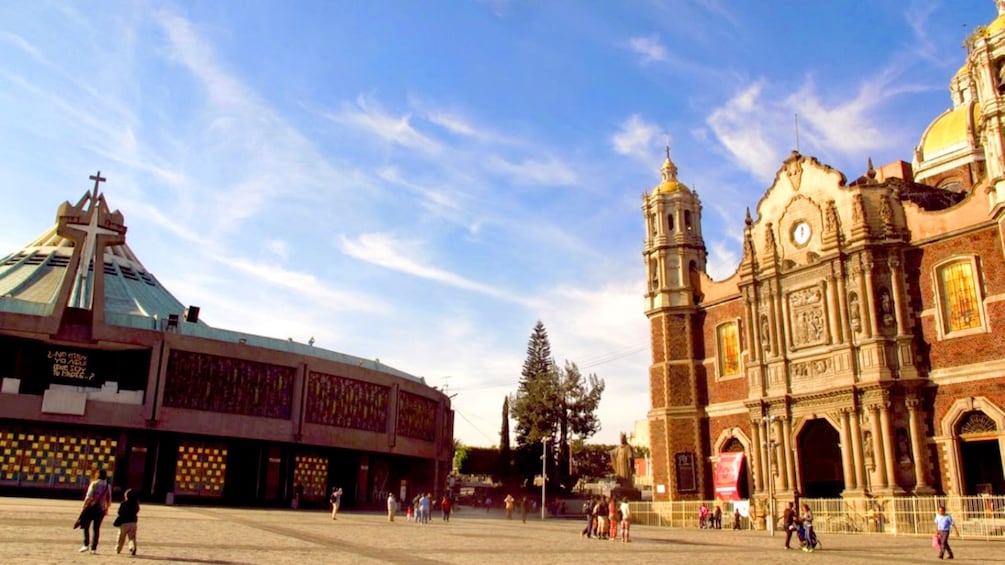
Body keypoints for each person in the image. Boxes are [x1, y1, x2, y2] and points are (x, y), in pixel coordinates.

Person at [77, 469, 112, 554]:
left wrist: (84, 506)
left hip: (91, 508)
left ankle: (86, 545)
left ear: (97, 475)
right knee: (96, 529)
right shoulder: (108, 485)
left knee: (86, 526)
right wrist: (106, 509)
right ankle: (93, 548)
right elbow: (109, 500)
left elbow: (88, 497)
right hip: (101, 510)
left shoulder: (94, 483)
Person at [114, 488, 139, 556]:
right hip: (133, 522)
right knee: (132, 537)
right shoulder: (136, 503)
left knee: (121, 537)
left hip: (124, 522)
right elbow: (137, 510)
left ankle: (118, 549)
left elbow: (119, 512)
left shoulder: (123, 503)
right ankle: (132, 547)